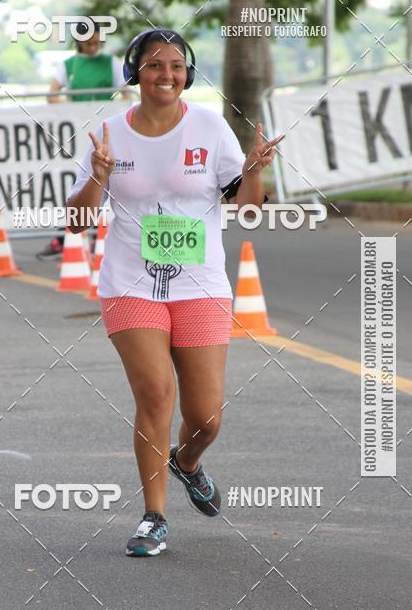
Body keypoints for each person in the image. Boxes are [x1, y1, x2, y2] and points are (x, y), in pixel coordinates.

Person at [66, 28, 283, 557]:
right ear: (133, 72)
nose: (167, 74)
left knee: (206, 417)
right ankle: (153, 517)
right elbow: (75, 221)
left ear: (188, 74)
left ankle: (185, 462)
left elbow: (247, 210)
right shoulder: (109, 134)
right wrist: (97, 177)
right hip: (130, 284)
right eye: (155, 65)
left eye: (178, 66)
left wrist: (253, 172)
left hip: (200, 284)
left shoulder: (211, 128)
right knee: (156, 395)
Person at [37, 20, 126, 258]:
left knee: (104, 183)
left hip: (104, 134)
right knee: (76, 185)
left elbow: (126, 93)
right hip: (78, 134)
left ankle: (100, 234)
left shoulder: (111, 63)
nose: (94, 46)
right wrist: (78, 107)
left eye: (97, 41)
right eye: (89, 42)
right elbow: (52, 95)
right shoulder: (69, 65)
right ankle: (64, 235)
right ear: (79, 42)